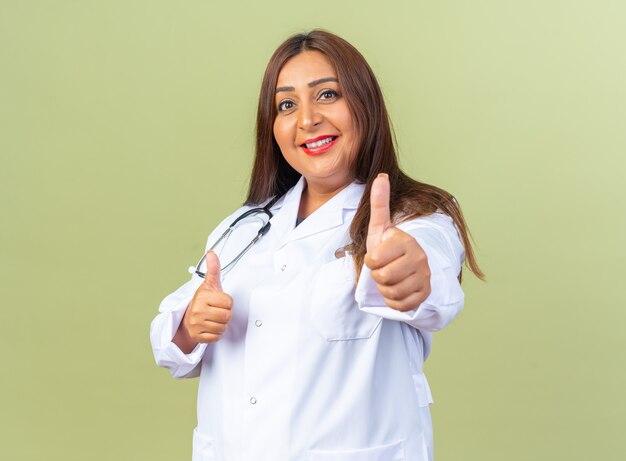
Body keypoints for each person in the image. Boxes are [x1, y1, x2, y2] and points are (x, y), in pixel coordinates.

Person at [150, 30, 483, 461]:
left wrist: (409, 275)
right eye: (287, 104)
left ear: (365, 105)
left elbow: (430, 276)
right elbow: (169, 343)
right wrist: (190, 325)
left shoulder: (418, 215)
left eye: (327, 94)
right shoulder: (245, 226)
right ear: (272, 129)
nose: (307, 119)